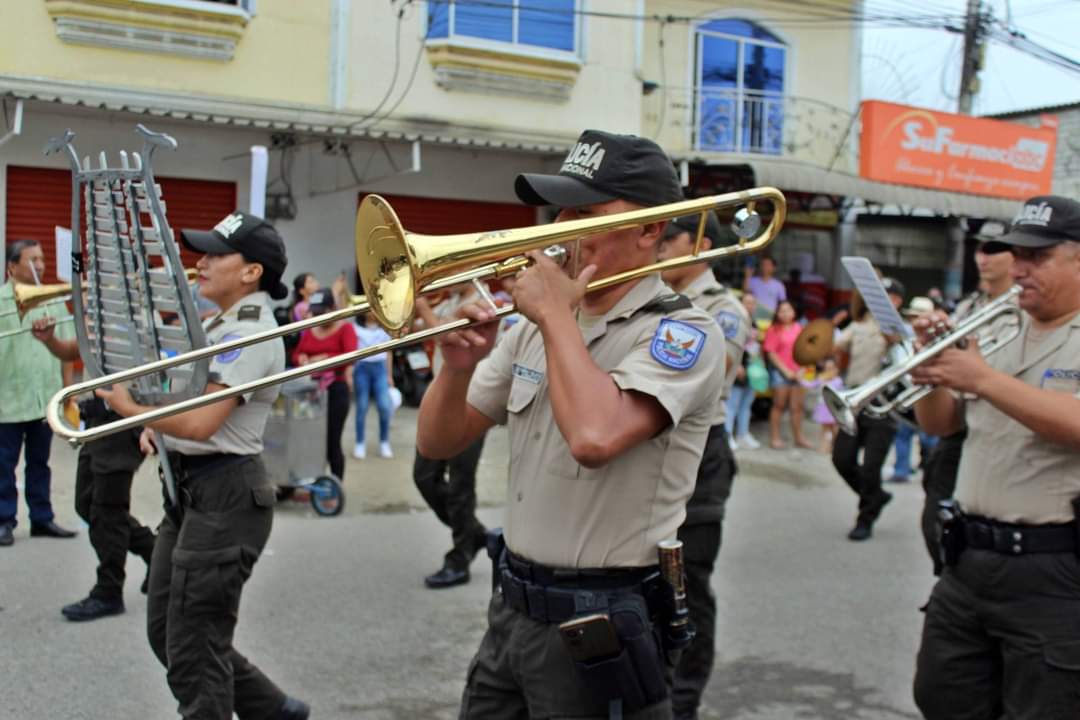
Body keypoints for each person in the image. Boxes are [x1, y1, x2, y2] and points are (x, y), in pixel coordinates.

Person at [416, 129, 724, 718]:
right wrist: (456, 368)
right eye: (560, 210)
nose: (559, 229)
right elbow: (438, 441)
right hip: (512, 610)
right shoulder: (532, 329)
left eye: (584, 213)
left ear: (649, 230)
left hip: (602, 621)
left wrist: (556, 315)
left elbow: (594, 437)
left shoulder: (683, 333)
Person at [95, 211, 309, 720]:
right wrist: (158, 426)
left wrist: (132, 411)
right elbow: (187, 412)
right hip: (192, 491)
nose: (202, 263)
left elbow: (201, 423)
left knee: (194, 649)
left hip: (226, 493)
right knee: (170, 634)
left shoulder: (249, 332)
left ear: (251, 272)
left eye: (216, 254)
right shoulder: (217, 323)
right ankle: (275, 711)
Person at [909, 195, 1080, 720]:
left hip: (1054, 568)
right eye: (1017, 254)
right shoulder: (998, 326)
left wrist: (982, 379)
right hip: (968, 559)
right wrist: (929, 373)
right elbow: (941, 425)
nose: (1019, 268)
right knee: (942, 697)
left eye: (1038, 257)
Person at [657, 211, 750, 720]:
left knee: (688, 584)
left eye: (670, 238)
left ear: (701, 244)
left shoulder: (722, 308)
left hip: (700, 453)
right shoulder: (652, 295)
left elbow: (708, 375)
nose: (660, 247)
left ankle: (684, 699)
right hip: (652, 448)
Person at [30, 319, 156, 621]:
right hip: (97, 425)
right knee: (86, 504)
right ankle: (156, 552)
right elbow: (71, 350)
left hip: (123, 425)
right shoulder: (100, 317)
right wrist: (50, 340)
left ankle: (109, 590)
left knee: (108, 512)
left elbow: (156, 380)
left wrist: (150, 424)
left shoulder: (136, 321)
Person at [918, 239, 1016, 575]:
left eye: (994, 250)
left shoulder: (1021, 309)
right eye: (980, 250)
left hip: (996, 430)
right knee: (934, 522)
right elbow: (938, 420)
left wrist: (978, 377)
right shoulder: (969, 307)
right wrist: (928, 361)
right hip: (959, 427)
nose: (983, 258)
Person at [411, 286, 490, 589]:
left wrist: (423, 308)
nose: (444, 279)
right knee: (424, 477)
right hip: (441, 404)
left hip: (472, 403)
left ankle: (460, 558)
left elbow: (448, 335)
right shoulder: (451, 301)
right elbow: (419, 330)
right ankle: (474, 533)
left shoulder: (483, 303)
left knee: (460, 486)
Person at [0, 239, 78, 547]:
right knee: (3, 465)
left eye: (42, 259)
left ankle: (42, 518)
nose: (41, 266)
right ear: (12, 266)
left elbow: (68, 350)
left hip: (44, 398)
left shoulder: (52, 299)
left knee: (40, 463)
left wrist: (68, 392)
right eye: (32, 260)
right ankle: (3, 520)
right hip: (7, 400)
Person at [830, 277, 905, 541]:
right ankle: (875, 497)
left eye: (887, 296)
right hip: (854, 399)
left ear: (897, 301)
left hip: (883, 404)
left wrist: (889, 326)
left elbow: (898, 343)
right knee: (841, 459)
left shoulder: (901, 327)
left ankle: (865, 518)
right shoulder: (859, 325)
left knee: (872, 467)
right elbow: (835, 347)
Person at [293, 288, 358, 479]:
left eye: (322, 312)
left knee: (332, 441)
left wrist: (325, 358)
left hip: (335, 389)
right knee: (310, 439)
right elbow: (297, 353)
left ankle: (335, 484)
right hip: (311, 390)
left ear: (332, 309)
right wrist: (302, 358)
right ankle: (312, 479)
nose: (318, 317)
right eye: (315, 313)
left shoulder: (345, 328)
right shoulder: (310, 328)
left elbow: (350, 356)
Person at [889, 297, 940, 484]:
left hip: (928, 394)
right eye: (912, 317)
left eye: (918, 317)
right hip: (906, 393)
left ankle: (930, 468)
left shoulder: (937, 339)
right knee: (903, 434)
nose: (914, 322)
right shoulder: (904, 339)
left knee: (929, 437)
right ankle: (901, 470)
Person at [762, 299, 813, 449]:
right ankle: (775, 437)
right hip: (780, 373)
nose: (785, 314)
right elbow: (771, 353)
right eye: (782, 311)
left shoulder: (799, 328)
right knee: (779, 405)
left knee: (797, 407)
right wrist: (786, 371)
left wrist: (802, 370)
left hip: (798, 373)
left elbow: (807, 350)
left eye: (788, 310)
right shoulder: (774, 330)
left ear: (794, 312)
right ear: (777, 314)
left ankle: (799, 437)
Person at [352, 310, 395, 460]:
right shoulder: (355, 327)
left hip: (380, 368)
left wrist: (389, 375)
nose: (372, 312)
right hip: (362, 367)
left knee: (384, 406)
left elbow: (388, 352)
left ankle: (384, 441)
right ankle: (360, 442)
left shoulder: (384, 328)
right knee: (362, 406)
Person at [725, 292, 761, 450]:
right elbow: (728, 345)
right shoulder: (735, 321)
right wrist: (737, 365)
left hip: (752, 369)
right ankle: (727, 435)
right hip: (738, 369)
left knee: (746, 404)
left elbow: (755, 347)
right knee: (732, 404)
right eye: (747, 302)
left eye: (753, 302)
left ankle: (742, 434)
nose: (750, 305)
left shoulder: (754, 323)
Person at [805, 357, 842, 454]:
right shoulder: (821, 379)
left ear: (836, 370)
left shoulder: (837, 381)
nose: (829, 371)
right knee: (825, 429)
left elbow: (836, 390)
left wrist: (827, 379)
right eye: (827, 369)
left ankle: (834, 446)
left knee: (834, 429)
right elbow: (809, 384)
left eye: (831, 369)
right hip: (823, 408)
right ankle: (825, 446)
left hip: (832, 409)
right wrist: (801, 377)